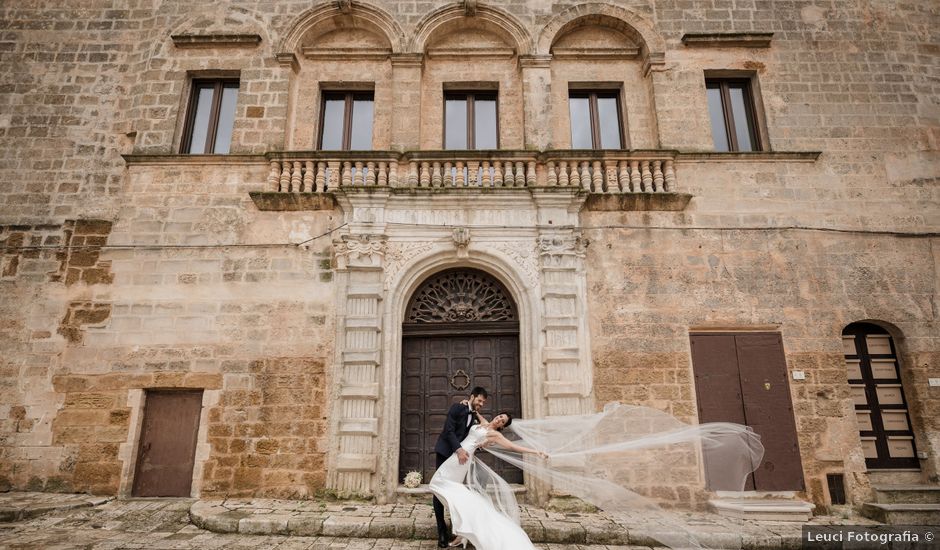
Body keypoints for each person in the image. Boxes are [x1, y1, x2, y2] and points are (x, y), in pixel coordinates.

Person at [429, 408, 547, 549]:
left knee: (441, 484)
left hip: (463, 459)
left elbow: (513, 446)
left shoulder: (494, 434)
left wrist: (536, 451)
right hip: (456, 455)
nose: (499, 419)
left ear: (502, 426)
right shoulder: (484, 422)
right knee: (440, 484)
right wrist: (466, 404)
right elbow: (474, 411)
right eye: (500, 416)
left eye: (502, 421)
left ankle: (465, 528)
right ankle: (463, 530)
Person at [432, 386, 487, 548]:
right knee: (438, 490)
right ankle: (441, 530)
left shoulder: (474, 416)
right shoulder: (457, 407)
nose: (481, 404)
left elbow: (473, 436)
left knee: (454, 491)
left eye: (483, 402)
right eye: (479, 400)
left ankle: (457, 526)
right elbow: (448, 431)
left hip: (458, 460)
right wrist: (459, 449)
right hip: (445, 453)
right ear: (471, 397)